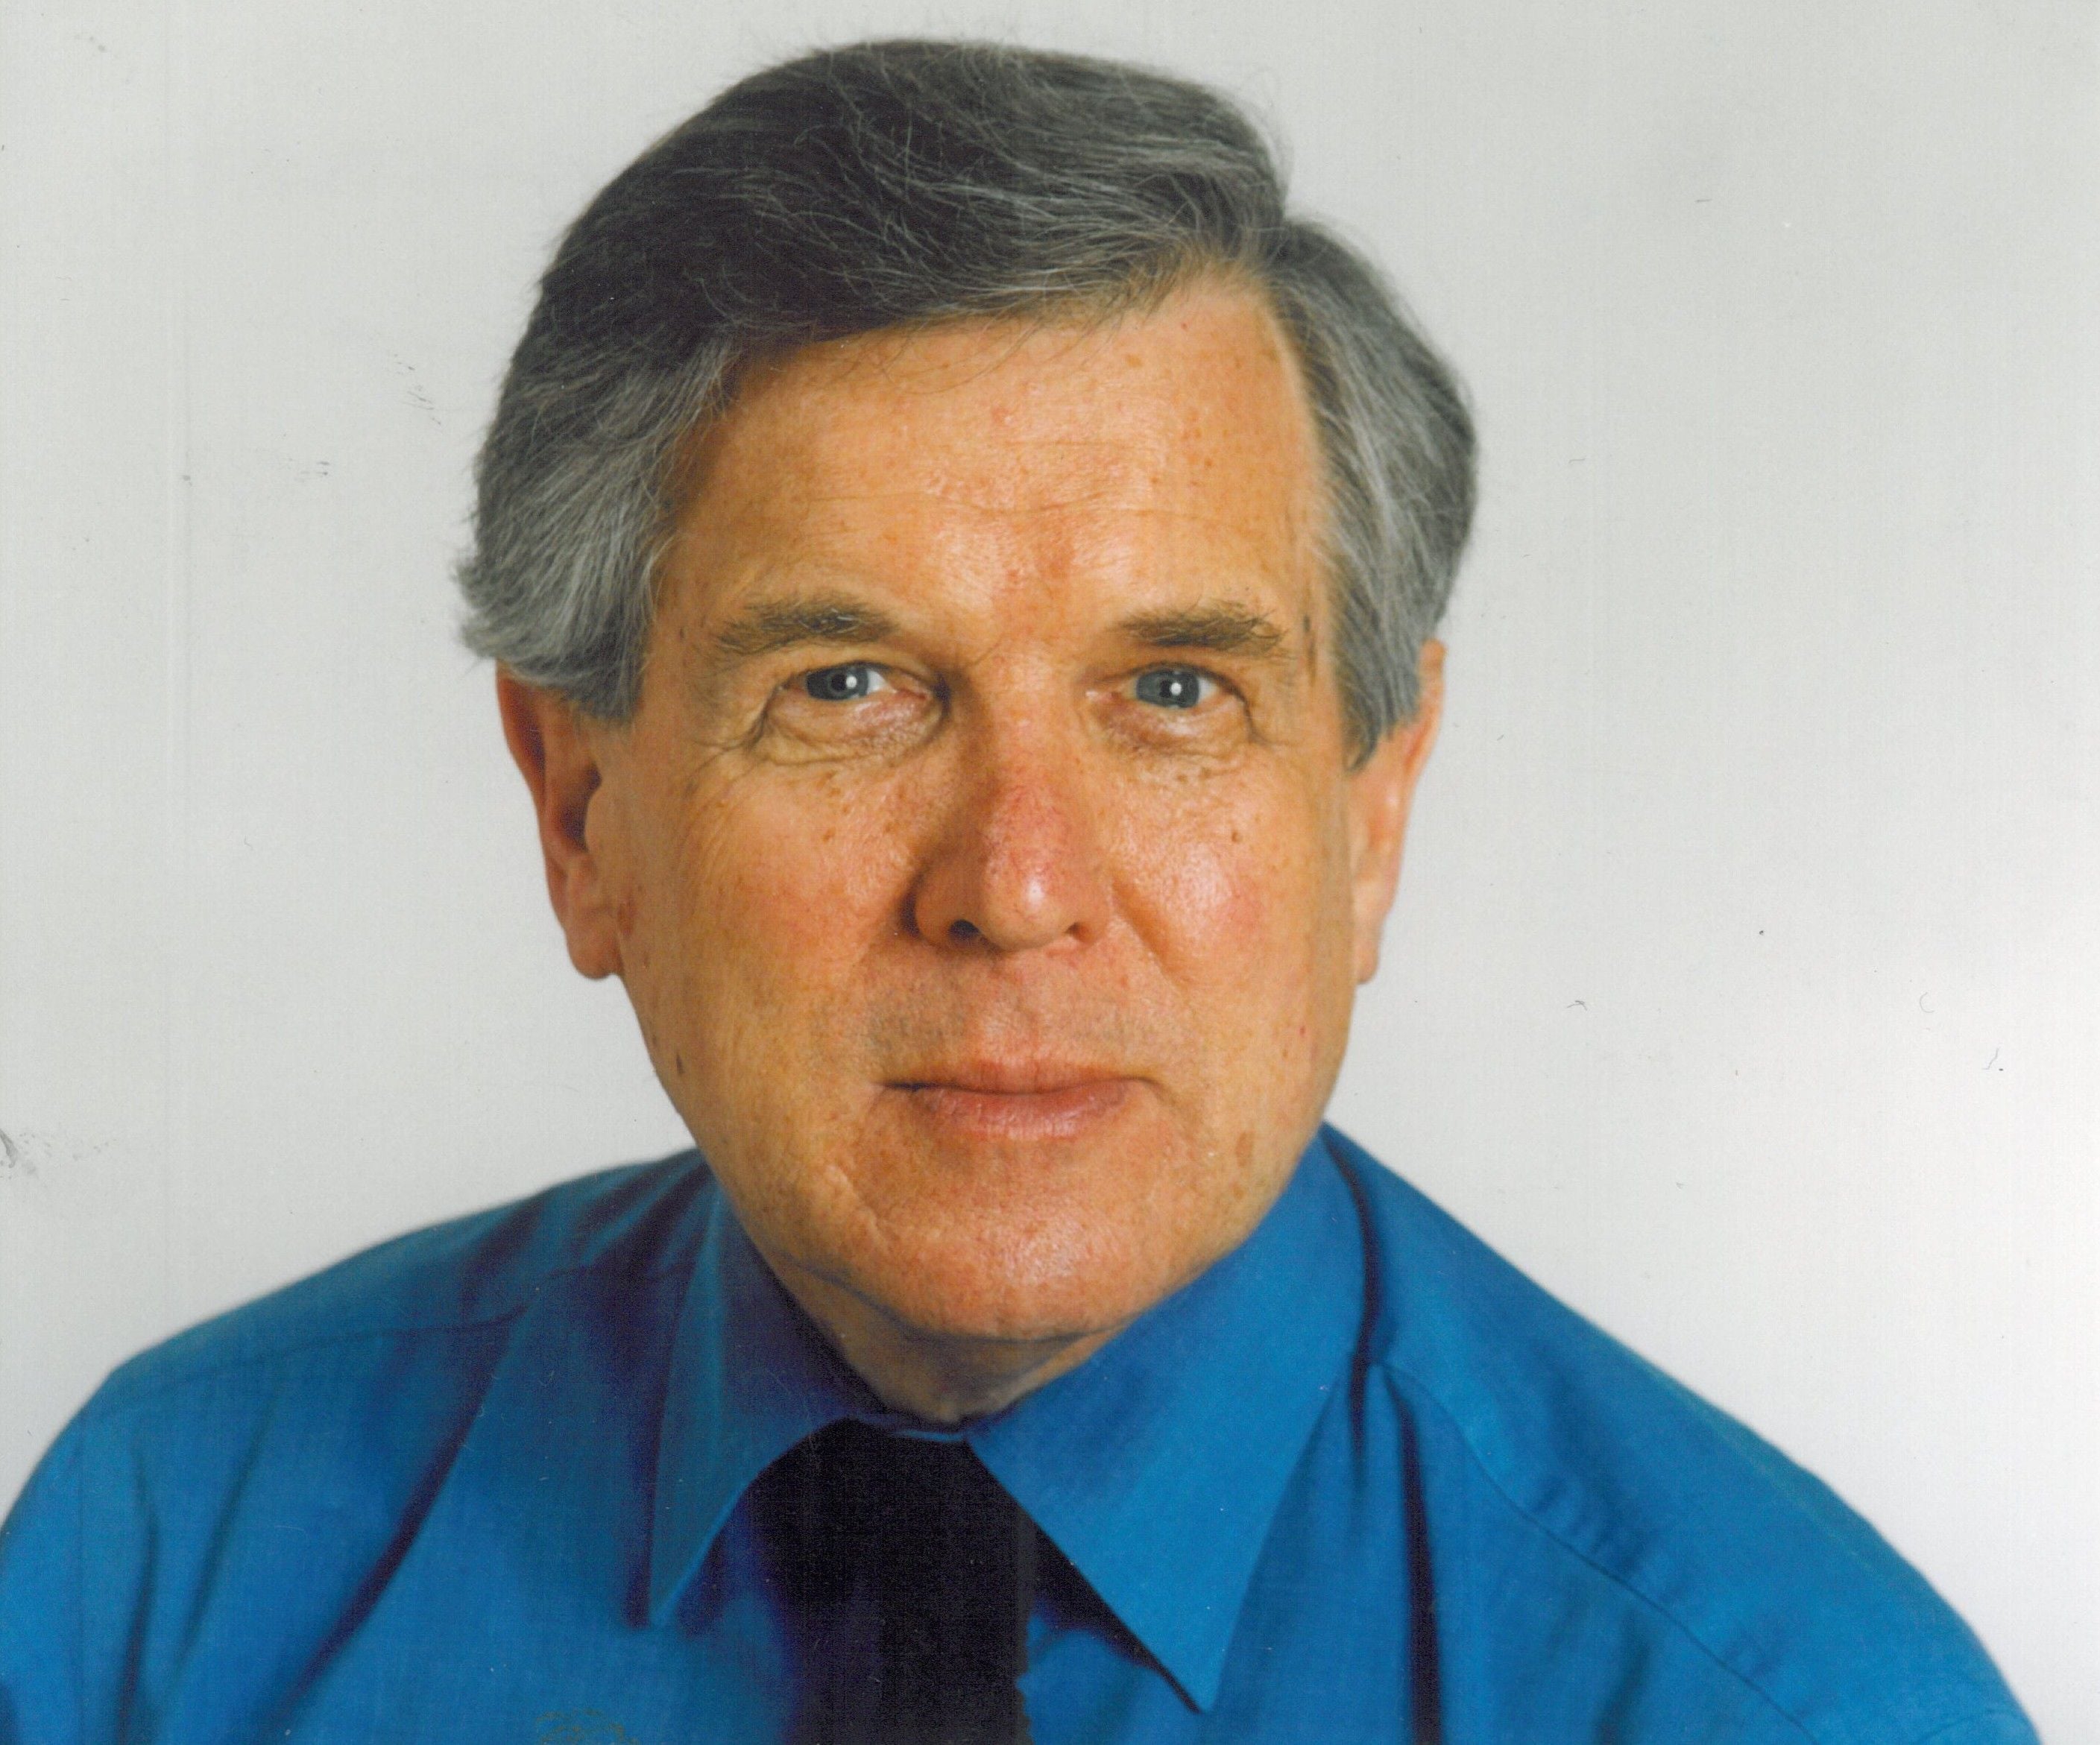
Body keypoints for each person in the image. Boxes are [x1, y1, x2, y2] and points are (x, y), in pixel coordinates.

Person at [0, 39, 2036, 1745]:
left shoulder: (1784, 1699)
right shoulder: (165, 1569)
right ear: (580, 812)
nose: (1018, 886)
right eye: (850, 688)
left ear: (1372, 808)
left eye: (1173, 692)